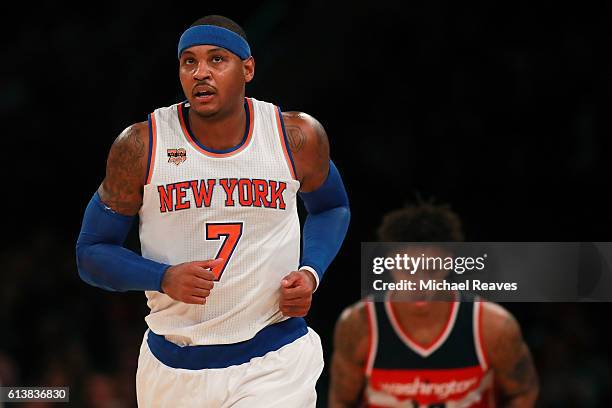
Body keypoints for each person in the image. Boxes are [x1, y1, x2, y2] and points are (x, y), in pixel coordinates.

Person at [76, 15, 350, 407]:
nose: (201, 72)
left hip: (274, 359)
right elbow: (90, 253)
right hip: (172, 366)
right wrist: (162, 277)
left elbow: (332, 207)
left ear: (248, 68)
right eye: (189, 62)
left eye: (217, 60)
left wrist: (311, 272)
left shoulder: (295, 137)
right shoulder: (141, 145)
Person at [329, 202, 538, 407]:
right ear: (389, 264)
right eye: (408, 270)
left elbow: (523, 392)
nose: (419, 283)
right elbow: (342, 400)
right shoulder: (359, 325)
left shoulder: (493, 326)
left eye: (430, 270)